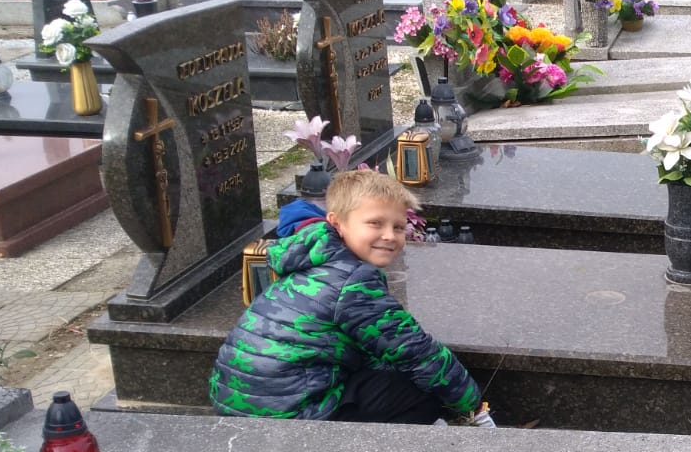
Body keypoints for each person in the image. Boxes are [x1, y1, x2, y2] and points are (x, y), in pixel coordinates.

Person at [210, 170, 493, 428]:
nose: (389, 236)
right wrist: (472, 405)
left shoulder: (316, 259)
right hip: (289, 418)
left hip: (242, 402)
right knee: (422, 392)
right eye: (375, 223)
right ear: (337, 222)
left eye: (398, 227)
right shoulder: (353, 280)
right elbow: (415, 351)